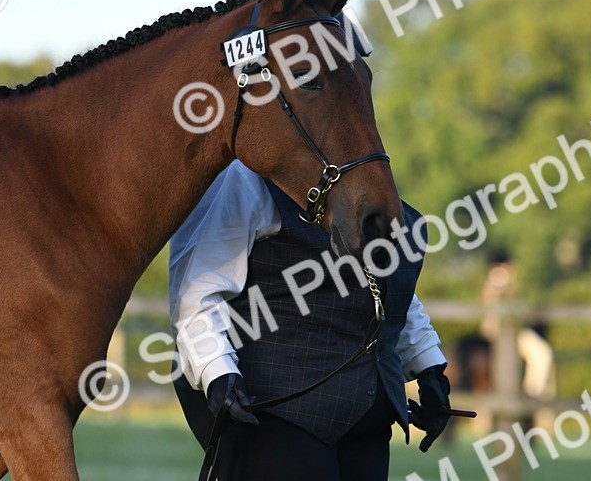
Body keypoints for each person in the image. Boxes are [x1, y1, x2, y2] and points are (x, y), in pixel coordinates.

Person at [169, 160, 452, 481]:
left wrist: (430, 371)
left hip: (367, 424)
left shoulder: (368, 181)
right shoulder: (245, 178)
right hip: (272, 413)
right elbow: (198, 289)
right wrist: (216, 372)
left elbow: (386, 289)